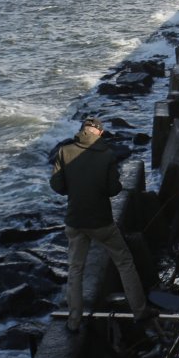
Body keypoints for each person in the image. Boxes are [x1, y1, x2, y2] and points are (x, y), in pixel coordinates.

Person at [50, 116, 152, 333]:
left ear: (82, 131)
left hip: (75, 221)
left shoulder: (64, 152)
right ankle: (140, 311)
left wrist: (76, 189)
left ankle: (74, 321)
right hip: (101, 222)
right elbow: (114, 189)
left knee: (75, 269)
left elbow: (57, 186)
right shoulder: (106, 155)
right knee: (124, 262)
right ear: (99, 133)